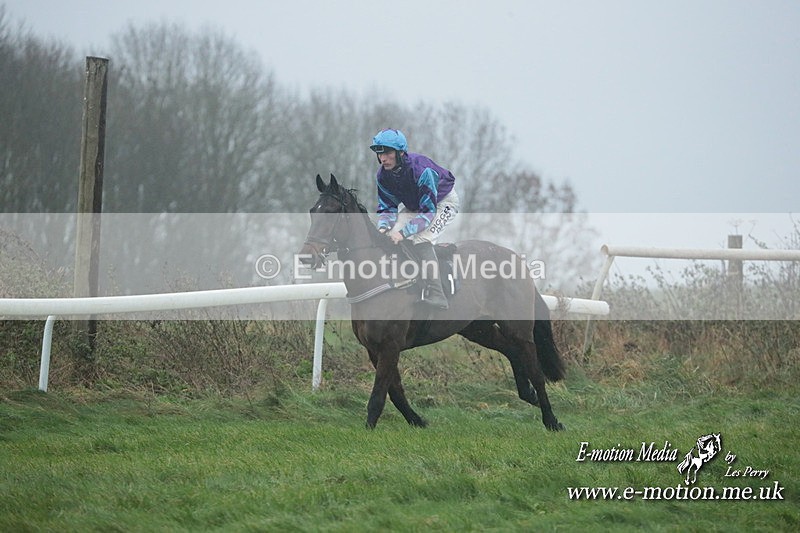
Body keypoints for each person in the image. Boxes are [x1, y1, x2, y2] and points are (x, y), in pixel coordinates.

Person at [369, 128, 460, 309]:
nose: (383, 159)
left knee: (421, 239)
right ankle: (408, 279)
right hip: (415, 205)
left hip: (442, 203)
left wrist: (404, 233)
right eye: (380, 154)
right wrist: (383, 227)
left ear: (401, 153)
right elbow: (387, 206)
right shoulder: (382, 176)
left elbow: (428, 212)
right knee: (390, 235)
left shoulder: (422, 170)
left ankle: (437, 293)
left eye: (387, 153)